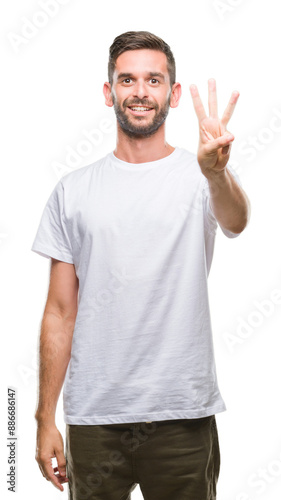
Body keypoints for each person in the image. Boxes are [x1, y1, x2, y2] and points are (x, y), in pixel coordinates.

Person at [32, 30, 250, 500]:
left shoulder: (201, 177)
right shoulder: (73, 191)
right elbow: (59, 312)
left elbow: (237, 220)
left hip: (182, 415)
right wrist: (43, 417)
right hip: (94, 419)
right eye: (127, 80)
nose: (140, 92)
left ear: (171, 94)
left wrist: (216, 172)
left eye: (154, 80)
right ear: (110, 92)